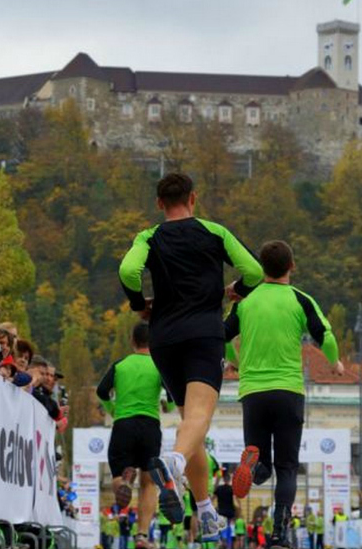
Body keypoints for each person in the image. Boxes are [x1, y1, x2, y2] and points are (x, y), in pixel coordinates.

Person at [118, 172, 262, 541]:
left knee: (190, 424)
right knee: (199, 418)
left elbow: (128, 270)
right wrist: (238, 289)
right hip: (203, 333)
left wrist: (138, 303)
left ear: (159, 204)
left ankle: (205, 510)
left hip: (164, 338)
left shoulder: (149, 236)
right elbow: (255, 270)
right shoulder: (215, 232)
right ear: (193, 198)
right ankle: (174, 463)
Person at [225, 240, 342, 548]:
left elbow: (220, 335)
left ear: (261, 269)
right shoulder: (300, 300)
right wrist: (335, 362)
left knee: (261, 458)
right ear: (292, 266)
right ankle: (278, 534)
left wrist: (235, 362)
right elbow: (325, 336)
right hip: (288, 390)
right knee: (287, 467)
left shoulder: (245, 303)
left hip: (253, 392)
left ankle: (252, 465)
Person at [97, 323, 173, 549]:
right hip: (150, 426)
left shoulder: (120, 365)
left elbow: (101, 391)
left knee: (118, 472)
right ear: (153, 342)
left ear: (132, 341)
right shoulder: (159, 365)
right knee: (149, 484)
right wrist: (167, 406)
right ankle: (141, 536)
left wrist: (112, 410)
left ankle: (125, 481)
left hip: (123, 424)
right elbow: (172, 394)